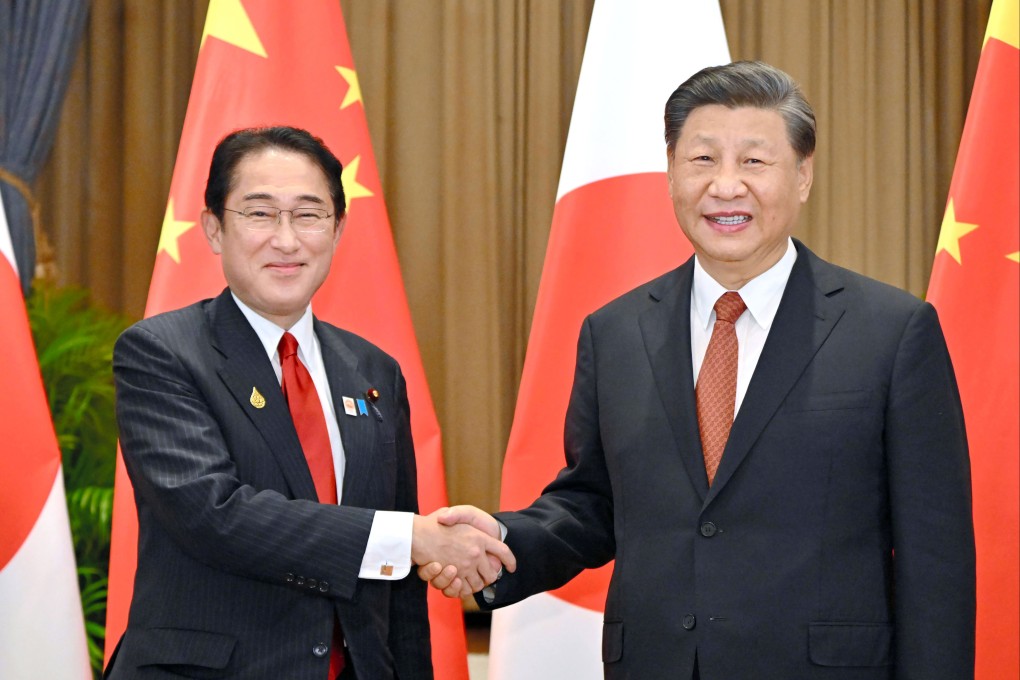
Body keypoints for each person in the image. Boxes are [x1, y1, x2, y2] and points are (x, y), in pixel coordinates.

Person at [420, 61, 975, 679]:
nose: (726, 186)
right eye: (703, 160)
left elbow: (936, 559)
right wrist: (499, 542)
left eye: (755, 162)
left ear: (803, 177)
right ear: (671, 174)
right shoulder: (615, 332)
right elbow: (594, 503)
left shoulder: (892, 332)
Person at [107, 126, 513, 680]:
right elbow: (214, 515)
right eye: (259, 213)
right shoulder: (160, 352)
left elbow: (399, 598)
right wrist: (412, 537)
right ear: (213, 229)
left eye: (308, 214)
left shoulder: (373, 372)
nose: (286, 240)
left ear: (337, 230)